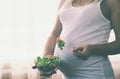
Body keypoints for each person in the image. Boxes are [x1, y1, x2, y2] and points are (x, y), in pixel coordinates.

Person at [41, 0, 120, 79]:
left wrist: (93, 49)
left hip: (95, 73)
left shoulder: (111, 2)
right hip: (67, 76)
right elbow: (54, 34)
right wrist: (45, 61)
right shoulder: (64, 1)